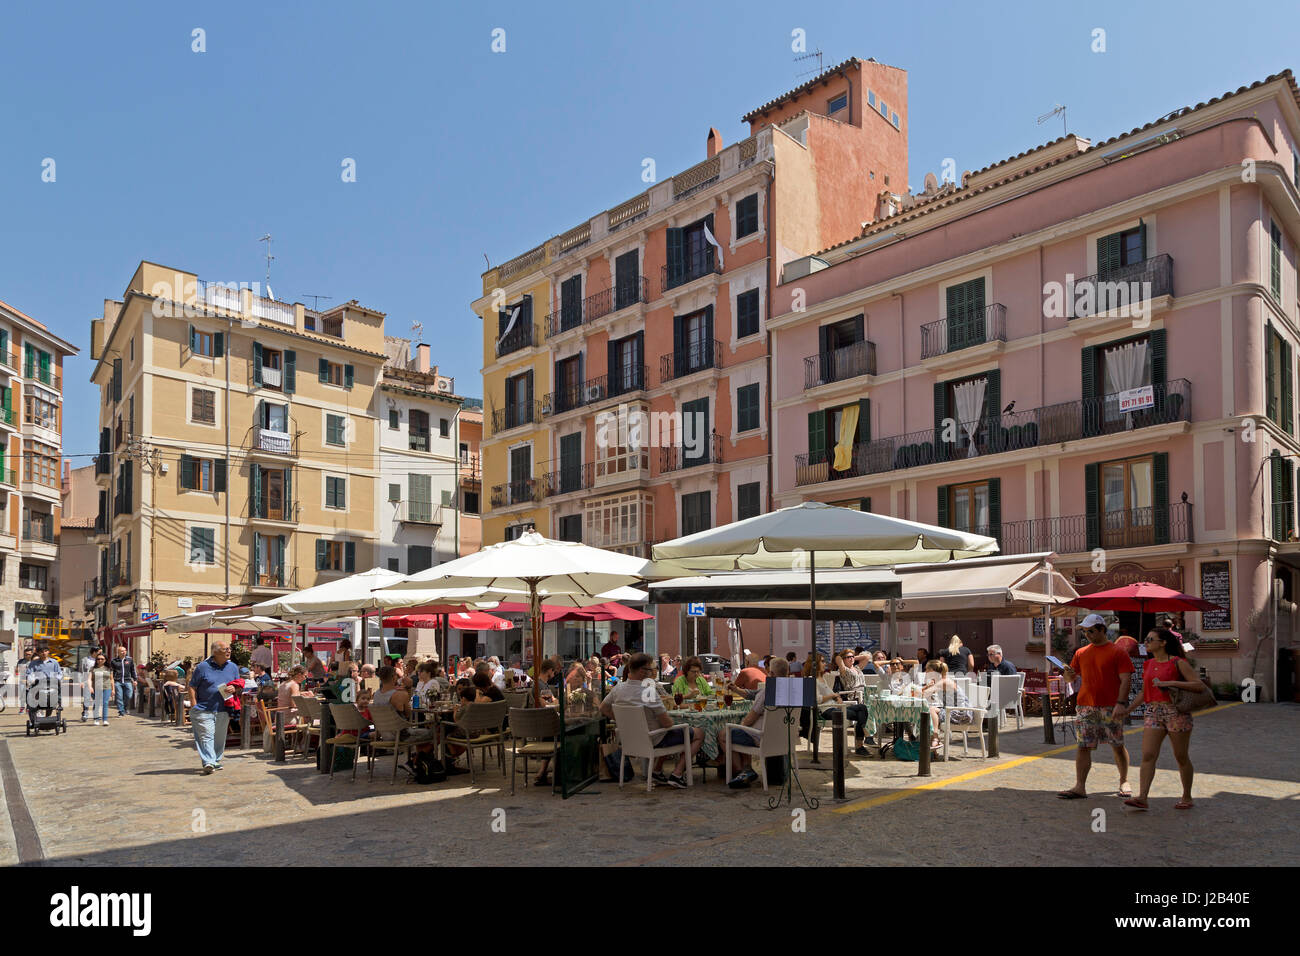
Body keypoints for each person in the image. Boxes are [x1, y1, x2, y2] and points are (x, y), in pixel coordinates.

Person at [1121, 627, 1201, 810]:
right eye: (1146, 639)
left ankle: (1187, 796)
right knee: (1148, 754)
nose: (1146, 642)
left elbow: (1198, 685)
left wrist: (1170, 683)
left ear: (1163, 642)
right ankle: (1142, 797)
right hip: (1153, 711)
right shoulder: (1148, 664)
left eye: (1150, 639)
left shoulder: (1177, 662)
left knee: (1181, 756)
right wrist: (1128, 709)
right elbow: (1144, 692)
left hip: (1176, 712)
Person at [1057, 613, 1134, 800]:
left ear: (1102, 629)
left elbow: (1126, 680)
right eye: (1085, 631)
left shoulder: (1117, 652)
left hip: (1110, 706)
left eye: (1091, 631)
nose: (1087, 635)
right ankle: (1080, 786)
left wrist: (1121, 703)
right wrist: (1067, 672)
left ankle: (1124, 780)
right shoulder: (1081, 653)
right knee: (1083, 745)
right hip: (1085, 706)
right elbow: (1070, 679)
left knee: (1117, 744)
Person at [600, 653, 701, 789]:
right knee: (698, 733)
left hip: (630, 739)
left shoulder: (618, 688)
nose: (652, 673)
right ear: (642, 671)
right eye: (650, 670)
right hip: (654, 740)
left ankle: (656, 771)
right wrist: (673, 722)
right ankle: (677, 774)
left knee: (667, 732)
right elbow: (667, 724)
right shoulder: (648, 692)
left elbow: (603, 708)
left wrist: (621, 721)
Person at [719, 657, 789, 788]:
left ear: (772, 673)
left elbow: (749, 720)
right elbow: (753, 694)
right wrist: (736, 689)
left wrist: (739, 726)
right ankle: (746, 768)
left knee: (724, 734)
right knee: (740, 732)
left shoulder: (767, 692)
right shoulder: (791, 690)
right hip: (783, 737)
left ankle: (742, 772)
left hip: (761, 737)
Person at [188, 642, 241, 774]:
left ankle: (216, 760)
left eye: (229, 649)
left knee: (219, 738)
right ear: (215, 652)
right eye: (225, 649)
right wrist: (194, 705)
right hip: (203, 708)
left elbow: (238, 684)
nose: (229, 651)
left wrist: (235, 688)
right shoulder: (202, 667)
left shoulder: (233, 667)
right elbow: (192, 686)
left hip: (224, 708)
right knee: (206, 736)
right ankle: (208, 762)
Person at [920, 660, 972, 753]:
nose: (925, 671)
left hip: (961, 713)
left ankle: (935, 739)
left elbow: (923, 694)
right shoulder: (941, 681)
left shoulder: (944, 682)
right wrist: (927, 686)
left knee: (931, 710)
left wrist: (924, 688)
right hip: (954, 711)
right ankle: (933, 743)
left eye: (927, 669)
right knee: (929, 711)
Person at [110, 645, 137, 717]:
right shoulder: (114, 661)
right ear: (118, 652)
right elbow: (111, 672)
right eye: (122, 651)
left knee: (129, 695)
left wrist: (135, 679)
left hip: (127, 680)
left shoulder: (129, 660)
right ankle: (121, 711)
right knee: (119, 696)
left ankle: (125, 707)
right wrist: (112, 681)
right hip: (117, 681)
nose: (123, 652)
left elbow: (133, 670)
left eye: (125, 650)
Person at [88, 652, 114, 726]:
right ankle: (96, 719)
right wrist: (90, 687)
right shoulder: (93, 668)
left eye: (102, 659)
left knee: (105, 703)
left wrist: (113, 689)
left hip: (107, 687)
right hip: (96, 688)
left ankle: (105, 720)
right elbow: (89, 679)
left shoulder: (109, 668)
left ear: (105, 660)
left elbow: (111, 679)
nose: (100, 660)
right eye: (98, 659)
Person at [78, 646, 100, 722]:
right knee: (87, 698)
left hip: (97, 681)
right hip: (87, 681)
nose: (99, 653)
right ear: (94, 652)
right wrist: (81, 681)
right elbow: (81, 671)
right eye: (98, 652)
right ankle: (85, 714)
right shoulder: (85, 660)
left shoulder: (100, 659)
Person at [13, 647, 33, 713]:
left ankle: (28, 708)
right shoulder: (21, 661)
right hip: (23, 681)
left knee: (30, 695)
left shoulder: (34, 661)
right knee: (22, 695)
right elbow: (16, 670)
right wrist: (17, 671)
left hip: (31, 681)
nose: (27, 656)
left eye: (29, 654)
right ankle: (22, 707)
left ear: (32, 654)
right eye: (26, 654)